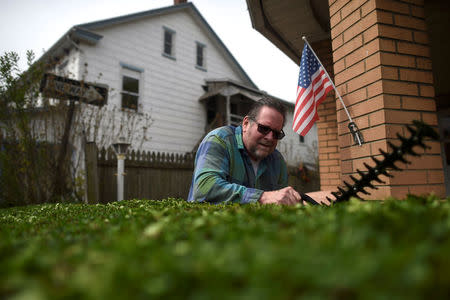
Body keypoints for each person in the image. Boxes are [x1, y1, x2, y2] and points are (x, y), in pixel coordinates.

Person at [187, 96, 333, 205]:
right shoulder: (219, 140)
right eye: (264, 128)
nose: (270, 137)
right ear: (245, 124)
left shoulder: (277, 161)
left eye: (276, 133)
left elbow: (280, 204)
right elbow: (204, 188)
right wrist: (262, 197)